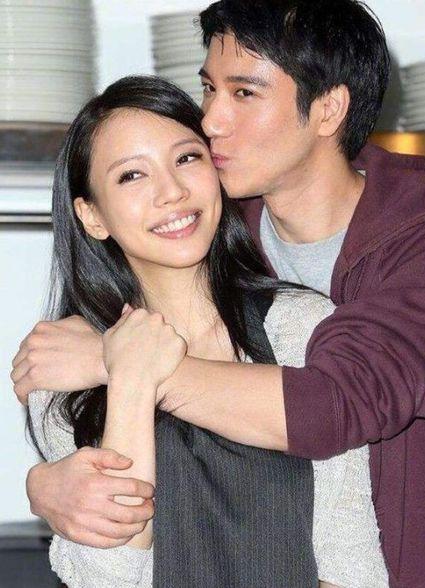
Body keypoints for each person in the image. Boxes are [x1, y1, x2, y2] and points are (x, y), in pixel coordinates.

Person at [12, 1, 425, 586]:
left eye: (244, 93)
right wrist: (46, 483)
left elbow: (336, 406)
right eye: (209, 88)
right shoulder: (216, 228)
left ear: (327, 109)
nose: (211, 120)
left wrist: (120, 362)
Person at [25, 74, 388, 587]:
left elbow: (351, 563)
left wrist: (138, 366)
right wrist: (129, 376)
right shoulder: (63, 368)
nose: (171, 192)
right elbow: (106, 576)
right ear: (92, 216)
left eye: (187, 158)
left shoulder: (299, 326)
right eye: (132, 175)